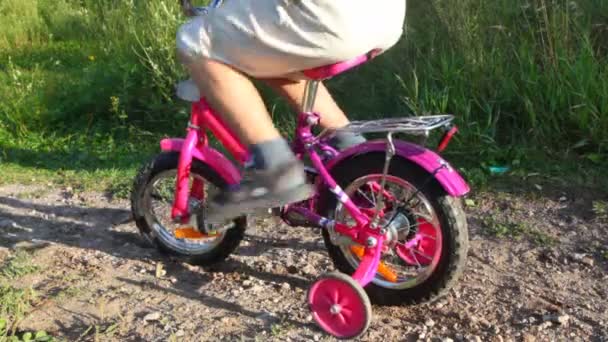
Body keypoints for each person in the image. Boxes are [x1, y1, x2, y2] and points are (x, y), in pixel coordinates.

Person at [176, 0, 406, 222]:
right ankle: (351, 153)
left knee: (196, 41)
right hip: (386, 16)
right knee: (265, 48)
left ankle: (275, 170)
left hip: (332, 17)